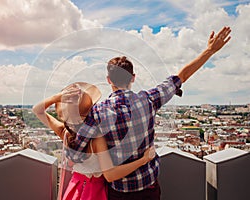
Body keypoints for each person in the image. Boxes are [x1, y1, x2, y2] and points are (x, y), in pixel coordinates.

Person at [65, 26, 231, 200]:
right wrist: (209, 51)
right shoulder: (148, 100)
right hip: (148, 188)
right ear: (133, 78)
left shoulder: (99, 112)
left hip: (119, 192)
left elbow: (77, 153)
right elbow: (181, 77)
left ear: (109, 80)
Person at [32, 82, 157, 200]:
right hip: (94, 191)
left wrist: (57, 97)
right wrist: (143, 160)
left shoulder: (65, 133)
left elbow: (37, 110)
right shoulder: (97, 139)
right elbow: (110, 175)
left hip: (74, 188)